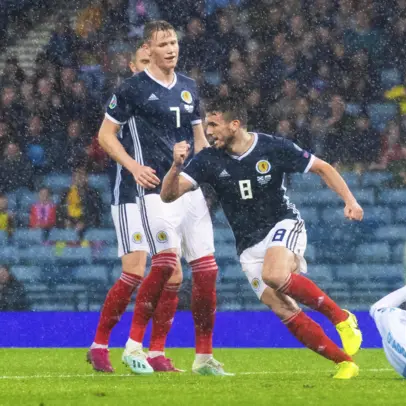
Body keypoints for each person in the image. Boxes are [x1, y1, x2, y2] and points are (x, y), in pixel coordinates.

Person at [160, 99, 363, 380]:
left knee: (274, 275)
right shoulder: (207, 159)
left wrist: (349, 201)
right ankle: (344, 363)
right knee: (282, 307)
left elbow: (323, 167)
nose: (208, 132)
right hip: (247, 245)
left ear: (235, 124)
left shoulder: (272, 147)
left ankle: (341, 318)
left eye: (214, 125)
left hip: (282, 224)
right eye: (207, 126)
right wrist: (175, 167)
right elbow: (168, 195)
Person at [97, 21, 226, 376]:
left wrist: (213, 173)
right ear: (148, 50)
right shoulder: (131, 89)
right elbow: (106, 135)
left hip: (188, 187)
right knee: (166, 264)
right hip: (152, 187)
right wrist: (133, 166)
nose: (171, 49)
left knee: (207, 271)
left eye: (174, 43)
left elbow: (200, 141)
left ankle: (203, 357)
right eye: (163, 44)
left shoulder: (189, 87)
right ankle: (133, 347)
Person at [88, 42, 183, 373]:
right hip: (129, 191)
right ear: (132, 66)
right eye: (143, 62)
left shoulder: (166, 98)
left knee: (173, 273)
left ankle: (155, 351)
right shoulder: (127, 95)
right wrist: (132, 167)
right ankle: (100, 346)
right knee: (134, 271)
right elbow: (105, 137)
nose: (150, 67)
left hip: (160, 191)